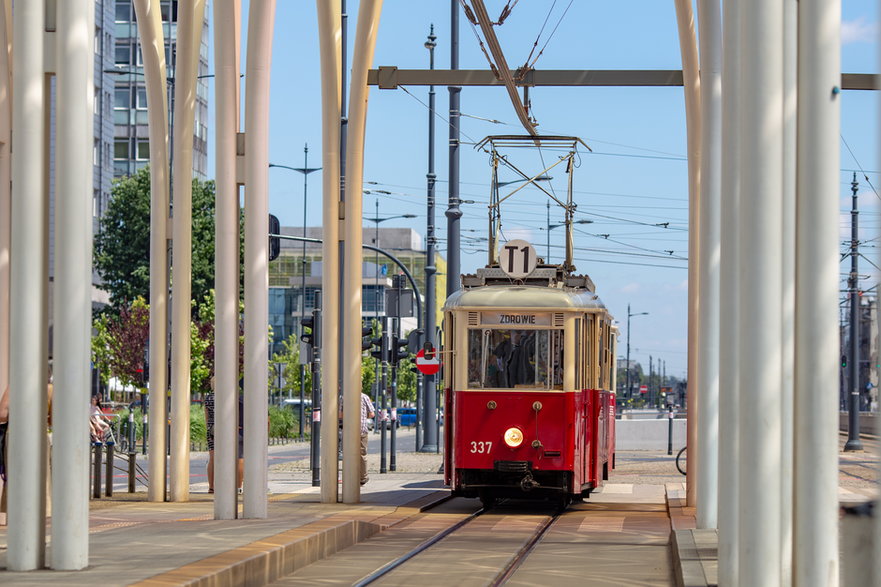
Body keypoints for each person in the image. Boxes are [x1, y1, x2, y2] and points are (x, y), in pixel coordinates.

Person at [205, 377, 244, 494]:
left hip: (212, 429)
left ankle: (211, 487)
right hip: (226, 429)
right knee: (231, 458)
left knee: (212, 458)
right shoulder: (226, 398)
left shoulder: (208, 398)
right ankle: (229, 485)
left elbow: (207, 417)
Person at [358, 392, 375, 486]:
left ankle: (350, 475)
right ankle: (363, 477)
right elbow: (372, 414)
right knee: (362, 454)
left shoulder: (344, 397)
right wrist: (364, 416)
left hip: (348, 431)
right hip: (362, 430)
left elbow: (340, 415)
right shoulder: (364, 397)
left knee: (349, 454)